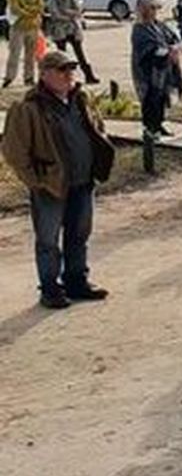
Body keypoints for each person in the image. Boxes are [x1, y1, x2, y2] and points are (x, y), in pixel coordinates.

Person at [2, 51, 115, 308]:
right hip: (50, 185)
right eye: (62, 70)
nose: (68, 75)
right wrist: (36, 180)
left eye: (71, 69)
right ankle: (50, 288)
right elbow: (14, 150)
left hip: (83, 181)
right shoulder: (28, 109)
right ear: (45, 75)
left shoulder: (80, 99)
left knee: (79, 235)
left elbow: (96, 127)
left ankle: (76, 281)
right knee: (48, 240)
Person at [130, 0, 181, 140]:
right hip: (147, 70)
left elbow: (173, 38)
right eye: (150, 8)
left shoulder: (159, 25)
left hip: (163, 68)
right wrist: (165, 52)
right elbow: (146, 49)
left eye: (154, 8)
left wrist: (174, 48)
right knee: (150, 98)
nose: (153, 11)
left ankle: (159, 125)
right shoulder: (139, 29)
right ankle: (149, 128)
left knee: (162, 97)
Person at [45, 0, 98, 84]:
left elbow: (78, 10)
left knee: (80, 54)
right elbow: (55, 14)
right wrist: (69, 15)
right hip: (59, 29)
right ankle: (63, 78)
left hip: (73, 28)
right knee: (62, 55)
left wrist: (67, 12)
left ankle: (89, 75)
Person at [5, 0, 44, 88]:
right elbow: (16, 9)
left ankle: (29, 77)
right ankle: (9, 77)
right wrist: (31, 12)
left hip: (33, 28)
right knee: (14, 54)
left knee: (30, 55)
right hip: (18, 28)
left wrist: (27, 11)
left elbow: (40, 8)